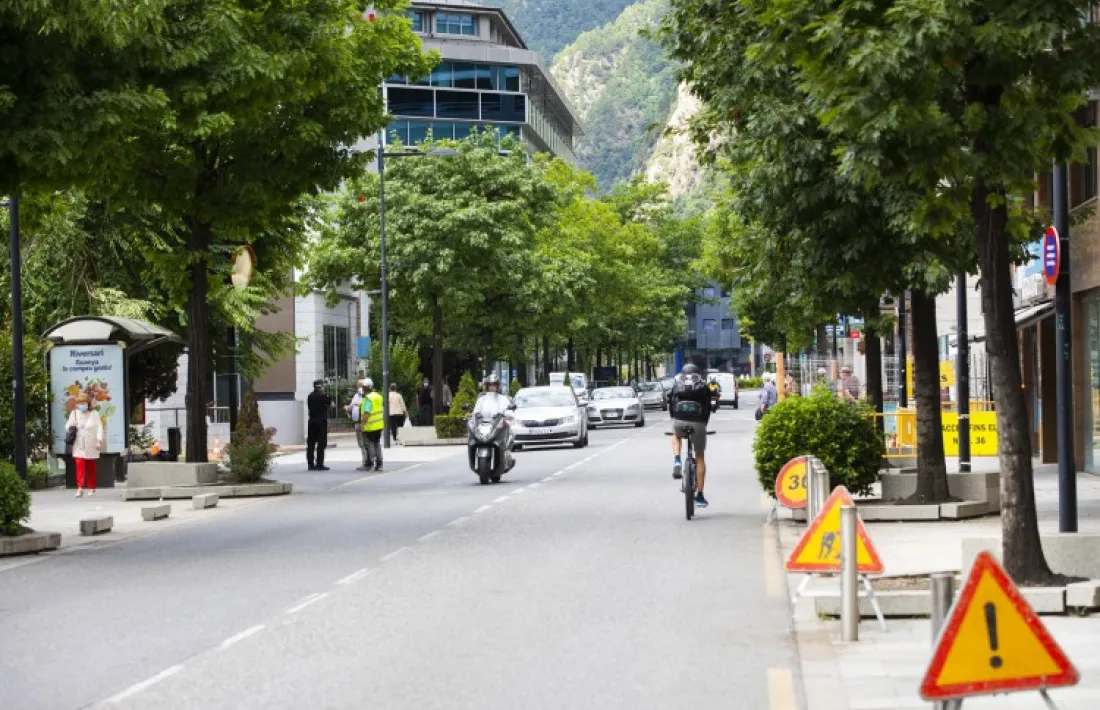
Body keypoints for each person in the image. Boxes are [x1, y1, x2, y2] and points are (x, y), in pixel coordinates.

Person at [669, 363, 712, 509]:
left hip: (679, 421)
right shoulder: (702, 385)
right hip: (698, 423)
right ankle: (700, 496)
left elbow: (671, 403)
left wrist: (674, 419)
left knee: (675, 435)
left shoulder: (677, 383)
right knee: (699, 456)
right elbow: (708, 407)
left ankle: (677, 460)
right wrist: (703, 424)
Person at [67, 393, 104, 497]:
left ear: (88, 403)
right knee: (80, 466)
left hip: (91, 444)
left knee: (91, 466)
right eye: (79, 403)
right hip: (78, 444)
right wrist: (72, 428)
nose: (81, 405)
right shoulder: (74, 413)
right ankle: (80, 488)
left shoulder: (94, 414)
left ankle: (92, 488)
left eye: (83, 403)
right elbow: (68, 426)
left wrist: (99, 440)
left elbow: (99, 427)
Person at [359, 378, 385, 471]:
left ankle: (371, 462)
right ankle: (380, 464)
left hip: (370, 426)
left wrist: (362, 424)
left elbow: (367, 413)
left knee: (370, 444)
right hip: (379, 425)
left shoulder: (368, 399)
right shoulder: (378, 396)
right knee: (377, 443)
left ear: (365, 388)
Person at [306, 379, 331, 471]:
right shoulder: (324, 396)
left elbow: (309, 407)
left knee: (311, 444)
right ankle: (319, 464)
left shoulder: (310, 396)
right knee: (321, 443)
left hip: (312, 422)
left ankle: (310, 464)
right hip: (321, 422)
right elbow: (331, 404)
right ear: (320, 387)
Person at [346, 380, 370, 469]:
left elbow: (363, 406)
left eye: (359, 386)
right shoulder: (358, 395)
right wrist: (348, 408)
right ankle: (367, 461)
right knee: (363, 443)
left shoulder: (364, 396)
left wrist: (354, 405)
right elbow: (352, 406)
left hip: (362, 422)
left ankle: (366, 463)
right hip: (360, 422)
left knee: (364, 443)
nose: (359, 388)